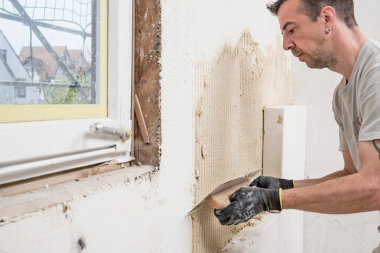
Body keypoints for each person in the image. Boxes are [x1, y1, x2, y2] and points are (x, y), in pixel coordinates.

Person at [214, 0, 380, 251]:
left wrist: (273, 200)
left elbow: (375, 186)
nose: (285, 45)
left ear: (326, 18)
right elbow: (353, 174)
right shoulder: (342, 95)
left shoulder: (376, 77)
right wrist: (286, 186)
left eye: (291, 30)